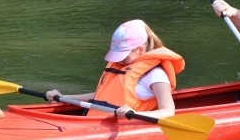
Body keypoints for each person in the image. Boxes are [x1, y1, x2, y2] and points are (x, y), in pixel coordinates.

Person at [45, 19, 184, 119]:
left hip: (125, 126)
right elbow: (101, 96)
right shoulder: (121, 66)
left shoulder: (156, 75)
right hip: (97, 122)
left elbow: (167, 111)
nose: (119, 60)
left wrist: (133, 113)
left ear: (140, 49)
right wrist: (63, 98)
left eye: (123, 55)